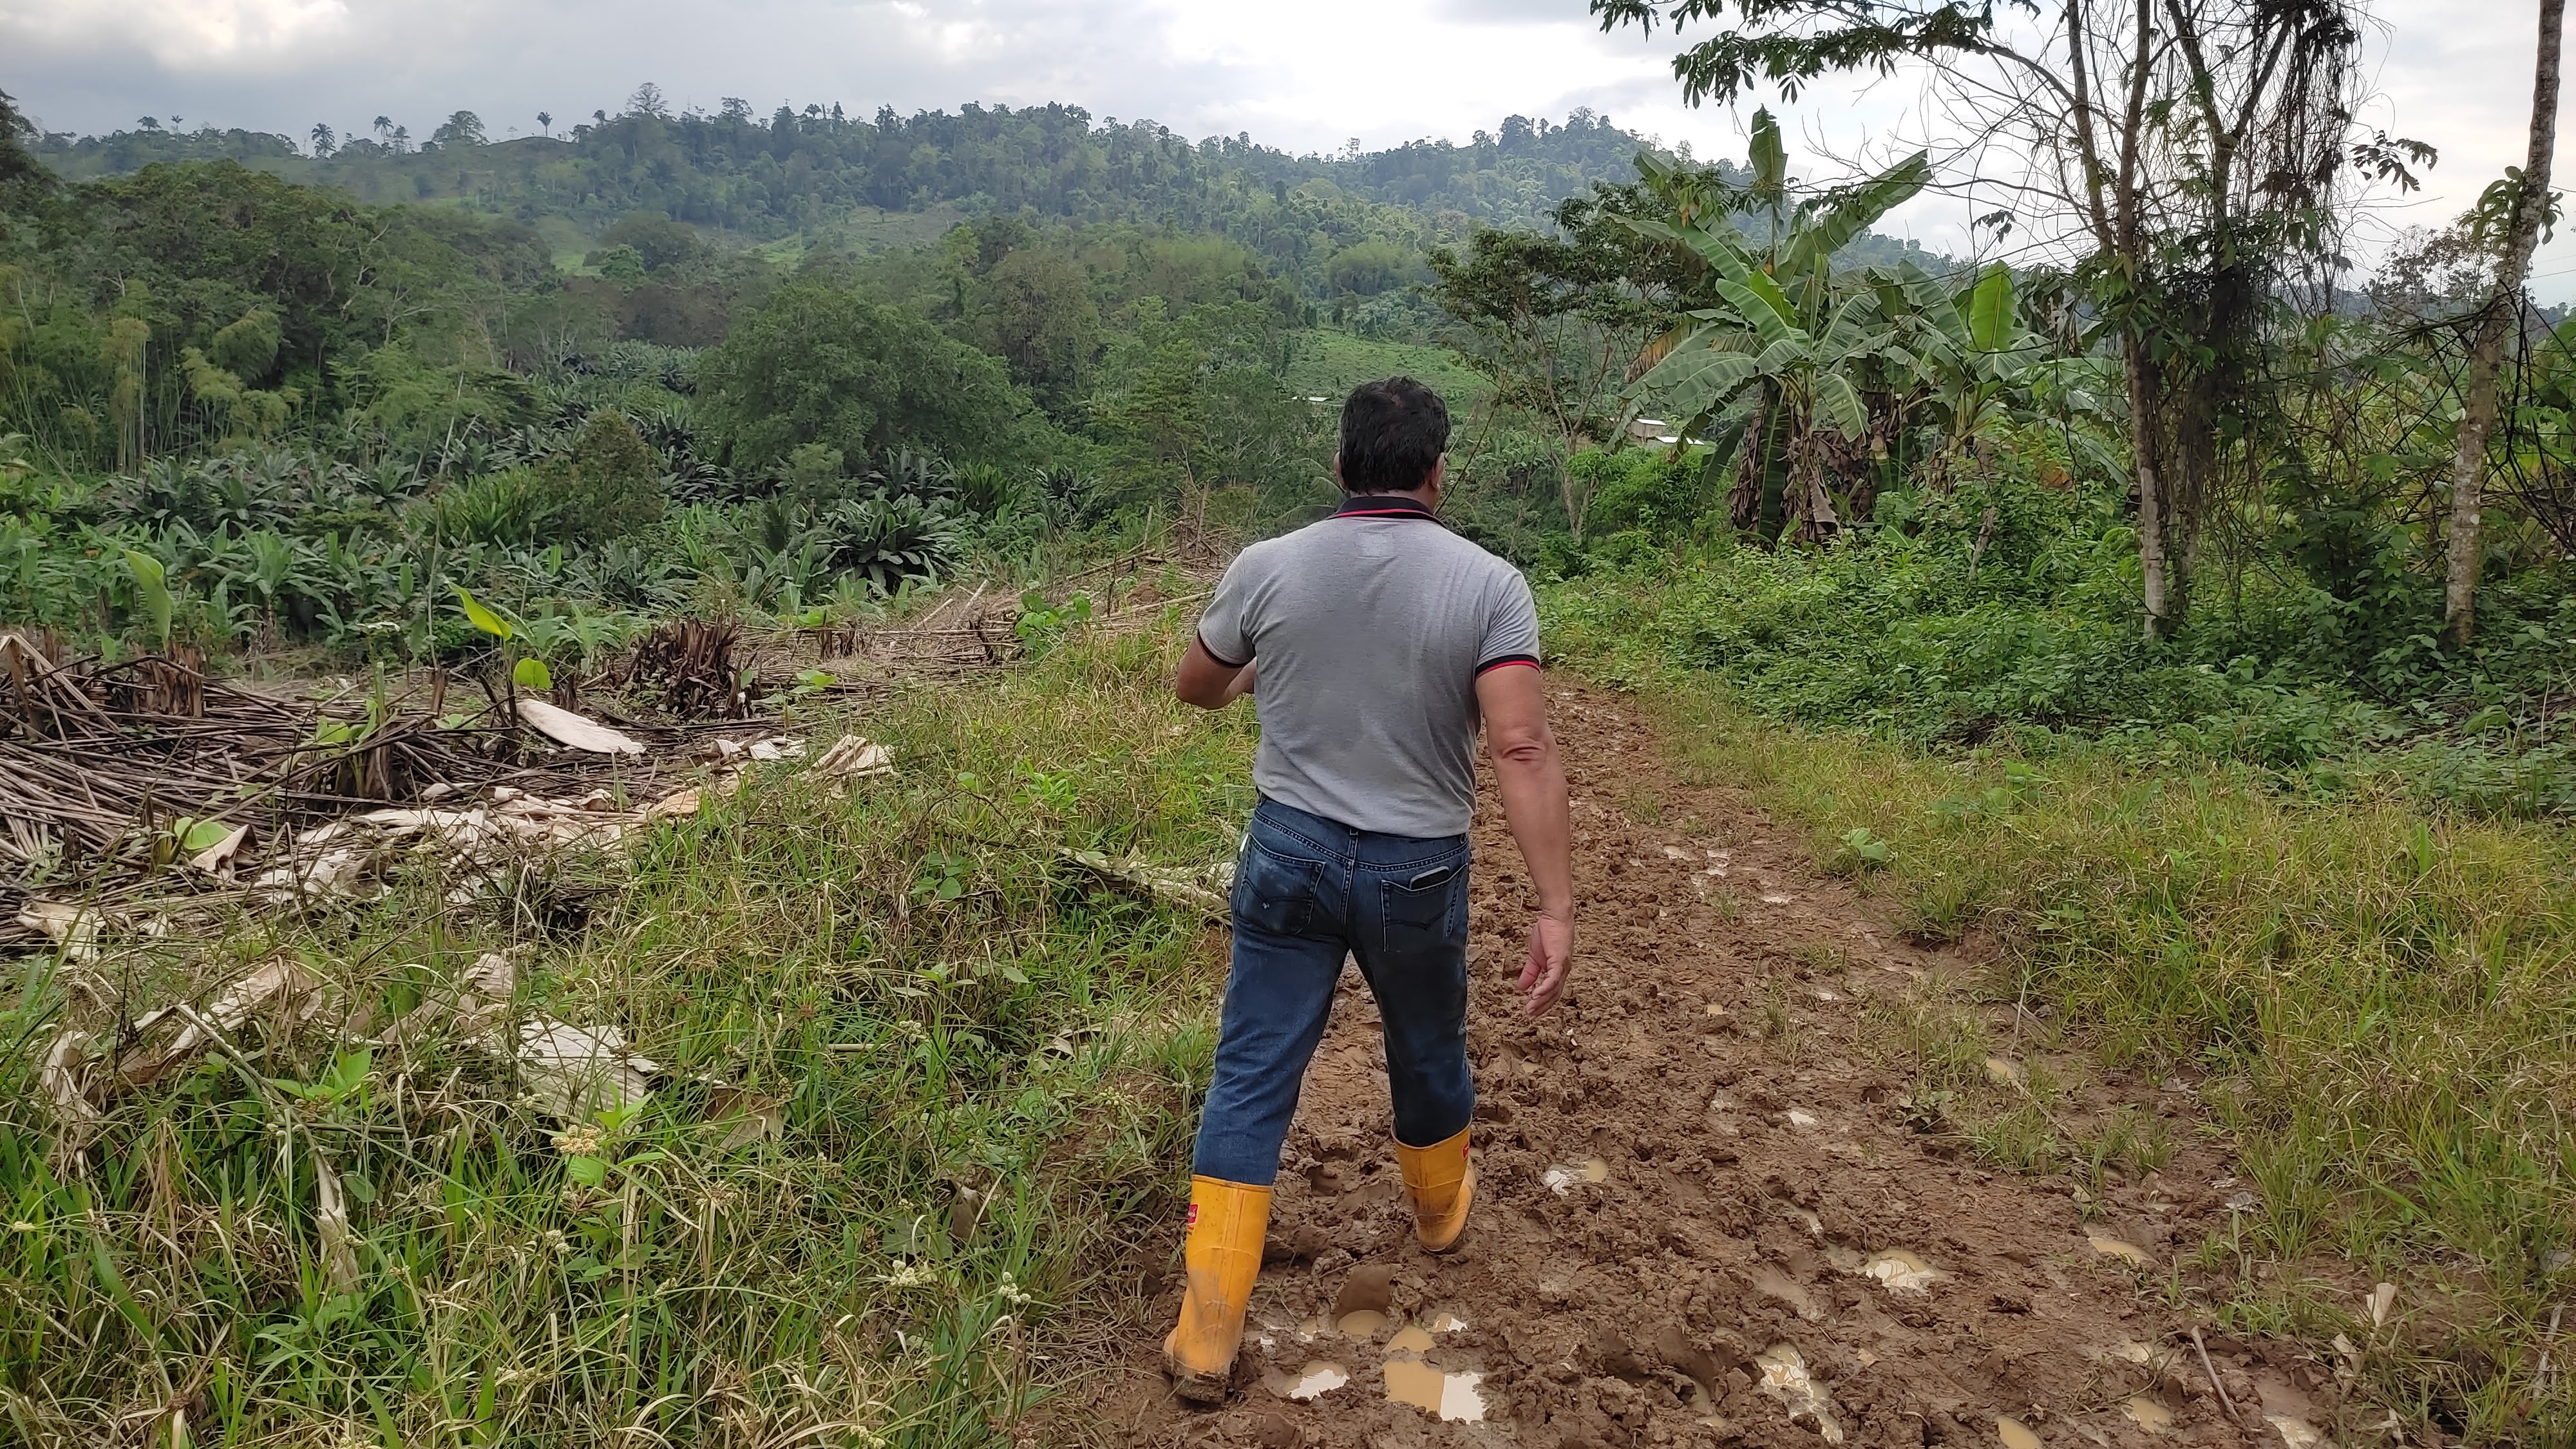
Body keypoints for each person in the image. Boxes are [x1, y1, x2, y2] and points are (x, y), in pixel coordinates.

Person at [1161, 376, 1577, 1403]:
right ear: (1438, 474)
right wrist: (1555, 904)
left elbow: (1198, 684)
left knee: (1252, 1070)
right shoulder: (1491, 585)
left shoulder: (1269, 565)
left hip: (1289, 851)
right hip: (1417, 866)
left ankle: (1207, 1334)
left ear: (1341, 465)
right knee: (1426, 1047)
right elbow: (1520, 744)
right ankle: (1438, 1216)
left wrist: (1264, 665)